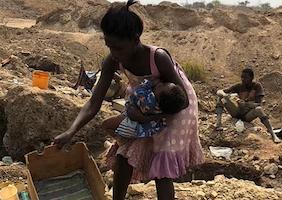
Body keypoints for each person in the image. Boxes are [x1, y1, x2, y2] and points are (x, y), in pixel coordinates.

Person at [53, 1, 204, 199]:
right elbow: (94, 102)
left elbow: (182, 100)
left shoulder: (158, 57)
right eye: (109, 46)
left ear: (135, 39)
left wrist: (146, 118)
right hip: (145, 106)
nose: (114, 53)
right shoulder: (112, 60)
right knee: (123, 154)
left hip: (174, 107)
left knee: (161, 168)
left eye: (119, 48)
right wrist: (71, 131)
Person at [215, 68, 281, 143]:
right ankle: (218, 123)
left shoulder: (257, 86)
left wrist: (246, 104)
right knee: (220, 98)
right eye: (242, 77)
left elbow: (258, 104)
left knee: (259, 109)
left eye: (245, 77)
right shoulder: (239, 86)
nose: (243, 79)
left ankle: (273, 134)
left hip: (247, 115)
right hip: (236, 111)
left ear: (251, 78)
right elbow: (219, 91)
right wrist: (225, 95)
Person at [113, 79, 187, 139]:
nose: (161, 83)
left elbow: (139, 89)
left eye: (162, 85)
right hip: (143, 131)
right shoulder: (161, 109)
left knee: (107, 125)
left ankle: (120, 143)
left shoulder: (147, 99)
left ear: (158, 98)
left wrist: (152, 82)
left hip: (130, 125)